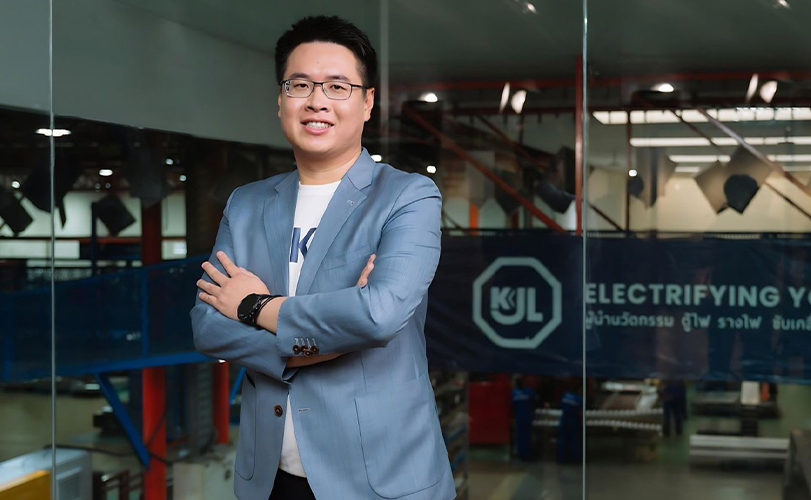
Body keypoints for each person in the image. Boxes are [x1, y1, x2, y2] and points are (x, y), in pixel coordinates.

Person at [190, 15, 455, 500]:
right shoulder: (247, 204)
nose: (317, 101)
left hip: (381, 480)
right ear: (281, 99)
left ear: (367, 102)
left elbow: (377, 316)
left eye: (337, 86)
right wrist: (325, 343)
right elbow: (208, 327)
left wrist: (252, 307)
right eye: (300, 85)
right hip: (271, 478)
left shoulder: (408, 197)